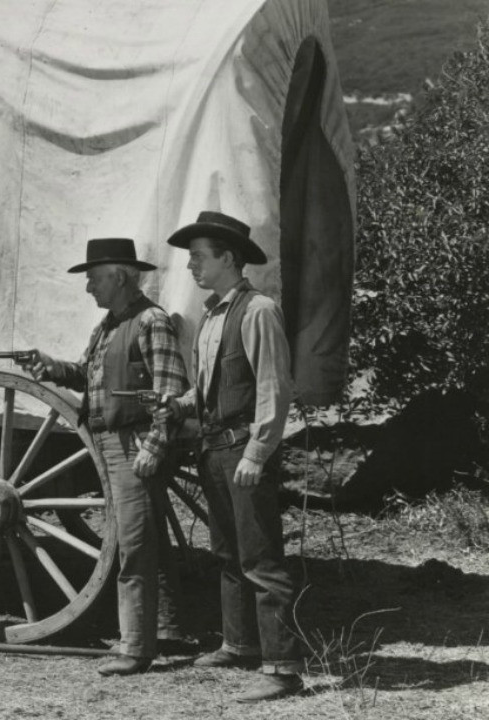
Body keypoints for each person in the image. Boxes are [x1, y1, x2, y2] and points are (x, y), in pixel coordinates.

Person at [22, 237, 189, 676]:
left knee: (131, 545)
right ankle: (164, 629)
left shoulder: (151, 322)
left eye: (94, 278)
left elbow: (169, 391)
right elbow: (85, 375)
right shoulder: (110, 326)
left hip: (132, 445)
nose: (88, 288)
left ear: (119, 276)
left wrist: (153, 448)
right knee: (145, 538)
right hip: (112, 444)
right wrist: (51, 367)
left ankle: (134, 647)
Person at [155, 210, 303, 702]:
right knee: (228, 555)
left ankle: (282, 668)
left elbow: (273, 387)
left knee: (261, 559)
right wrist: (177, 405)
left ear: (228, 258)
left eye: (199, 257)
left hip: (243, 450)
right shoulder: (212, 314)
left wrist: (258, 453)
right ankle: (238, 645)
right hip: (214, 450)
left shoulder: (258, 310)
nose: (191, 266)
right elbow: (206, 389)